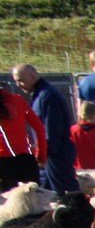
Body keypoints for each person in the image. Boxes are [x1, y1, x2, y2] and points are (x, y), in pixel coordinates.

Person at [13, 65, 75, 193]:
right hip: (52, 154)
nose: (18, 85)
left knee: (65, 194)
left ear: (33, 76)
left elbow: (52, 130)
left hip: (56, 155)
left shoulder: (47, 97)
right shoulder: (41, 95)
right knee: (50, 195)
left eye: (21, 80)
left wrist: (43, 154)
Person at [0, 85, 47, 187]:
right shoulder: (18, 100)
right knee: (33, 195)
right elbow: (40, 128)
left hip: (3, 163)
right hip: (26, 160)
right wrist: (41, 156)